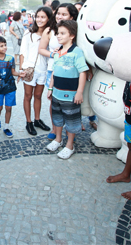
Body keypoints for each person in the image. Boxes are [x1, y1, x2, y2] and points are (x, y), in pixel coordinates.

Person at [46, 20, 88, 159]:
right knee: (57, 119)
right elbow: (54, 71)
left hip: (70, 95)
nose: (58, 36)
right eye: (58, 33)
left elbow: (83, 72)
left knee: (71, 120)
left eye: (62, 33)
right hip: (56, 94)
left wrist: (79, 92)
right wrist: (50, 88)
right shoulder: (58, 52)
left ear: (72, 35)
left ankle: (70, 145)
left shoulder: (77, 52)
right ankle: (58, 139)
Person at [39, 3, 79, 140]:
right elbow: (41, 49)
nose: (59, 16)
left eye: (64, 14)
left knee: (71, 103)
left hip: (72, 72)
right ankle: (55, 129)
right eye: (58, 13)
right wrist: (53, 54)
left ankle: (70, 130)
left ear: (72, 17)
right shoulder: (49, 31)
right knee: (54, 102)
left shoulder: (76, 31)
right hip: (53, 72)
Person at [19, 7, 52, 135]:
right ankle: (29, 122)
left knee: (38, 96)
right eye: (38, 16)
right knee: (28, 96)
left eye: (43, 17)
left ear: (49, 18)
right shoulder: (29, 33)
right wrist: (21, 69)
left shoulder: (51, 34)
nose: (39, 19)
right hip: (29, 69)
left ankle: (37, 120)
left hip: (43, 70)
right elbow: (22, 52)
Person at [0, 36, 20, 138]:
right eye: (1, 46)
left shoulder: (10, 58)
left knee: (8, 108)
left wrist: (20, 74)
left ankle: (6, 127)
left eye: (5, 45)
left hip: (10, 87)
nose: (4, 47)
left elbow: (13, 72)